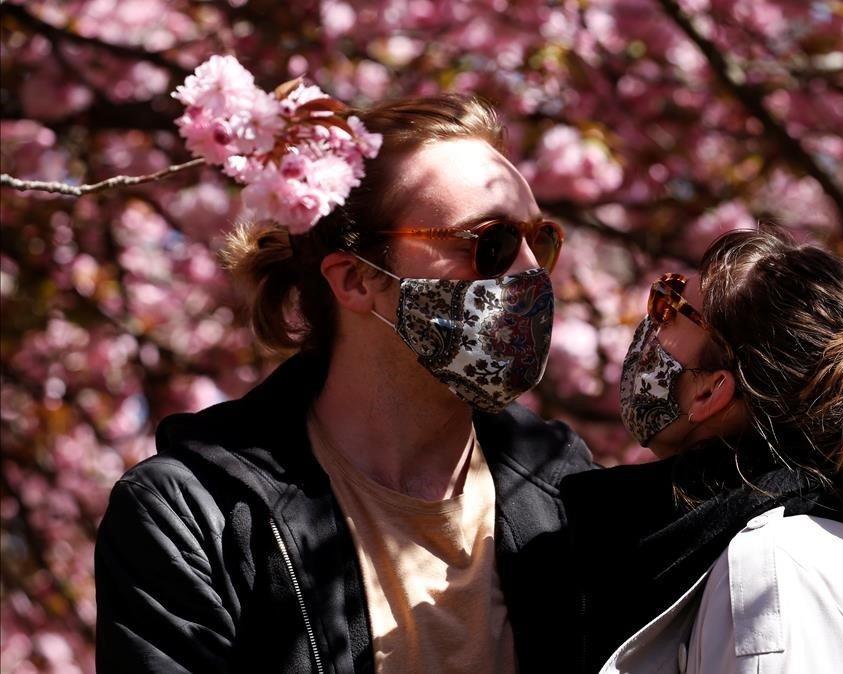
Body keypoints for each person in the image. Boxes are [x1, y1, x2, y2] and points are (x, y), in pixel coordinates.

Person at [94, 94, 594, 674]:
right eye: (494, 244)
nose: (529, 270)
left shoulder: (568, 492)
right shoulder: (195, 520)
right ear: (357, 279)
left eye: (543, 241)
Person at [561, 227, 843, 673]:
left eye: (670, 305)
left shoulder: (772, 573)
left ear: (709, 392)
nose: (650, 323)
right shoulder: (830, 558)